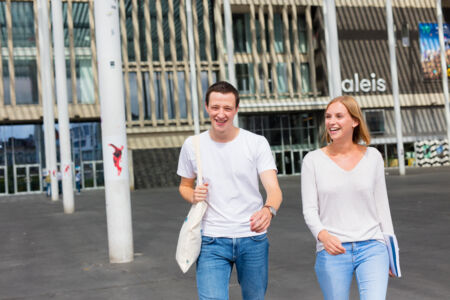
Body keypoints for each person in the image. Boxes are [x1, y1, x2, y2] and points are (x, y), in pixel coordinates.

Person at [177, 81, 282, 300]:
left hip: (252, 238)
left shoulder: (256, 143)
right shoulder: (192, 145)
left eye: (227, 108)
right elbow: (185, 186)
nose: (221, 114)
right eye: (215, 107)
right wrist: (193, 195)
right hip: (211, 241)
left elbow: (273, 189)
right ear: (207, 107)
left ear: (236, 109)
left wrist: (268, 209)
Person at [301, 96, 396, 300]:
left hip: (372, 246)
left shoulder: (373, 157)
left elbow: (382, 207)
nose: (331, 122)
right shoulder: (313, 161)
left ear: (355, 121)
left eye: (339, 116)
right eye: (328, 116)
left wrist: (391, 253)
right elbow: (309, 210)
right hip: (332, 249)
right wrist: (324, 237)